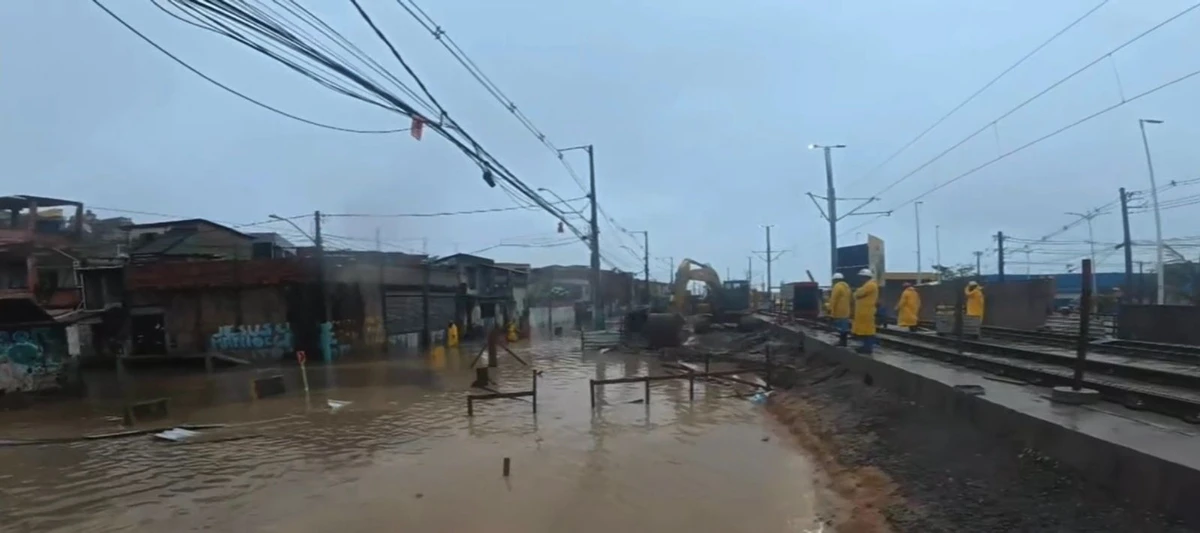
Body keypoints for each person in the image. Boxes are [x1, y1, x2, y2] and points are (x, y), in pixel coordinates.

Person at [852, 268, 879, 354]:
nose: (860, 279)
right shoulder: (868, 285)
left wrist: (856, 293)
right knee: (865, 330)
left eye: (862, 277)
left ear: (866, 277)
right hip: (864, 311)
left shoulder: (870, 285)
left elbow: (858, 293)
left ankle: (868, 348)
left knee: (868, 331)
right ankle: (865, 347)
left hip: (866, 311)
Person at [827, 272, 852, 347]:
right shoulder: (847, 287)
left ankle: (842, 342)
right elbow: (850, 299)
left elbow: (833, 299)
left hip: (839, 311)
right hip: (846, 311)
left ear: (835, 280)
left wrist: (830, 310)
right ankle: (844, 342)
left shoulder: (837, 286)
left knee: (840, 327)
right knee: (844, 327)